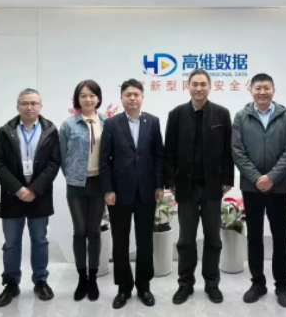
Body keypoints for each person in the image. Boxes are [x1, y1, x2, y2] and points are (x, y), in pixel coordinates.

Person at [165, 69, 234, 305]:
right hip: (186, 187)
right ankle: (185, 283)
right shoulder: (176, 114)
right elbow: (169, 151)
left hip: (213, 187)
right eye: (195, 84)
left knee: (213, 238)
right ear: (188, 86)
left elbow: (228, 150)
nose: (199, 88)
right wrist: (171, 182)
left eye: (203, 84)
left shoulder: (221, 114)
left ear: (209, 87)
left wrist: (228, 179)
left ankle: (212, 283)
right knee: (186, 239)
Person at [232, 73, 286, 308]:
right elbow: (237, 151)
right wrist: (257, 178)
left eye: (266, 88)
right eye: (258, 88)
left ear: (273, 90)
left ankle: (281, 286)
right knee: (254, 237)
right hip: (252, 188)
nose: (262, 92)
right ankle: (258, 283)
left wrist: (271, 177)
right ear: (251, 90)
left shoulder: (285, 116)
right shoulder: (241, 117)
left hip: (278, 188)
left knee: (280, 237)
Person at [0, 88, 60, 307]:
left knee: (40, 240)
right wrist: (18, 189)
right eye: (24, 103)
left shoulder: (50, 130)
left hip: (40, 195)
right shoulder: (6, 131)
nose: (29, 107)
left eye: (34, 103)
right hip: (12, 196)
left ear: (40, 106)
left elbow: (54, 163)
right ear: (18, 106)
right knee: (11, 243)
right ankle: (11, 283)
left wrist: (35, 189)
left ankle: (41, 281)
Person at [99, 79, 165, 309]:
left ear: (142, 97)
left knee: (145, 241)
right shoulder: (112, 124)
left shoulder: (153, 122)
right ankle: (123, 288)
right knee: (120, 242)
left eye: (136, 94)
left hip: (147, 192)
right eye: (128, 95)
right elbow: (104, 160)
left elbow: (159, 156)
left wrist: (159, 185)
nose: (132, 98)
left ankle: (144, 286)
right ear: (122, 98)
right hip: (119, 193)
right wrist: (107, 189)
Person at [60, 80, 107, 301]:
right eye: (83, 96)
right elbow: (62, 157)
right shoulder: (68, 125)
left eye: (92, 95)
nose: (88, 99)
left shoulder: (107, 123)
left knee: (94, 231)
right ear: (77, 99)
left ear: (98, 98)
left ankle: (93, 278)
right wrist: (73, 176)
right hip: (76, 185)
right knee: (80, 231)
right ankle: (81, 278)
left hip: (99, 184)